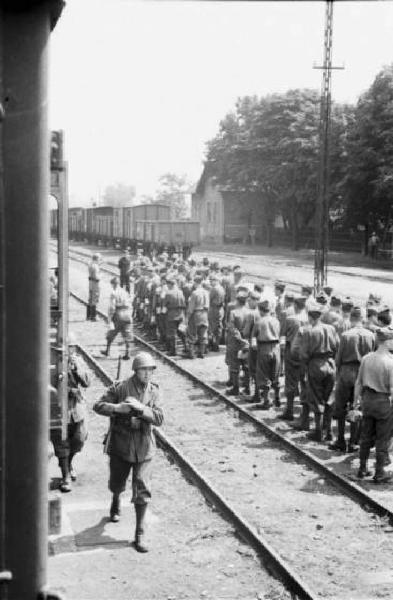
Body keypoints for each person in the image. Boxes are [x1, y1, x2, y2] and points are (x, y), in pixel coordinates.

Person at [93, 352, 164, 551]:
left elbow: (159, 418)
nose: (148, 374)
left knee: (142, 488)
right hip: (121, 445)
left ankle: (139, 533)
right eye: (144, 370)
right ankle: (115, 500)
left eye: (151, 370)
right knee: (117, 482)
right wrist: (118, 408)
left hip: (144, 446)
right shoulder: (121, 387)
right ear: (135, 370)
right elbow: (98, 406)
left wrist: (142, 409)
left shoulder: (154, 391)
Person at [330, 306, 375, 453]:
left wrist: (338, 375)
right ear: (362, 318)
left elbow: (338, 358)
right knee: (357, 407)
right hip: (363, 372)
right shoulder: (371, 335)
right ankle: (354, 442)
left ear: (351, 318)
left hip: (346, 371)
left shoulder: (346, 335)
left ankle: (341, 440)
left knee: (341, 407)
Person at [51, 332, 90, 492]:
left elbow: (87, 382)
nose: (70, 351)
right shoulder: (51, 362)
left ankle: (69, 462)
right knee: (61, 443)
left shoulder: (78, 361)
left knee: (80, 438)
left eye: (72, 348)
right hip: (58, 408)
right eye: (67, 348)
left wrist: (77, 368)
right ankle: (65, 474)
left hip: (76, 408)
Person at [354, 327, 393, 482]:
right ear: (389, 341)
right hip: (383, 402)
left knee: (365, 436)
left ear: (377, 340)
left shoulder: (366, 358)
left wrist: (355, 403)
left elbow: (358, 383)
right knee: (382, 439)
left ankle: (362, 468)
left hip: (367, 401)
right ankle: (379, 472)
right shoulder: (391, 362)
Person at [298, 302, 339, 441]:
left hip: (315, 365)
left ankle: (318, 431)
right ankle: (329, 432)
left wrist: (305, 367)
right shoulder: (331, 328)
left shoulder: (309, 331)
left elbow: (303, 354)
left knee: (316, 398)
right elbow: (337, 346)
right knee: (329, 399)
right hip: (330, 364)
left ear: (310, 317)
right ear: (320, 316)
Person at [251, 298, 281, 408]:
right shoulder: (276, 321)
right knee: (276, 373)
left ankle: (266, 401)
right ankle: (277, 398)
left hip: (264, 347)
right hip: (276, 348)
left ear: (260, 310)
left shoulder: (259, 321)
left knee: (263, 374)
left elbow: (253, 341)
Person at [101, 277, 132, 360]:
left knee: (111, 333)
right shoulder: (124, 292)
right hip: (127, 314)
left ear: (113, 284)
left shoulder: (113, 293)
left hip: (118, 315)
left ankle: (107, 351)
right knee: (126, 334)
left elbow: (112, 307)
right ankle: (127, 353)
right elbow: (129, 303)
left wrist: (110, 318)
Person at [186, 275, 209, 359]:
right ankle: (201, 353)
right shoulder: (206, 292)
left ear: (195, 283)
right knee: (203, 334)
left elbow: (190, 308)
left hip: (196, 314)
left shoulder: (194, 293)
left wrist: (187, 317)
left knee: (191, 333)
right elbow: (207, 306)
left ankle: (191, 354)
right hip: (204, 314)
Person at [87, 253, 101, 321]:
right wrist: (100, 277)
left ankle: (88, 316)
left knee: (90, 299)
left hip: (90, 283)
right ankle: (94, 316)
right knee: (95, 299)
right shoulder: (95, 266)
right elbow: (96, 277)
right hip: (95, 283)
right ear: (97, 259)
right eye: (99, 259)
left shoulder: (90, 264)